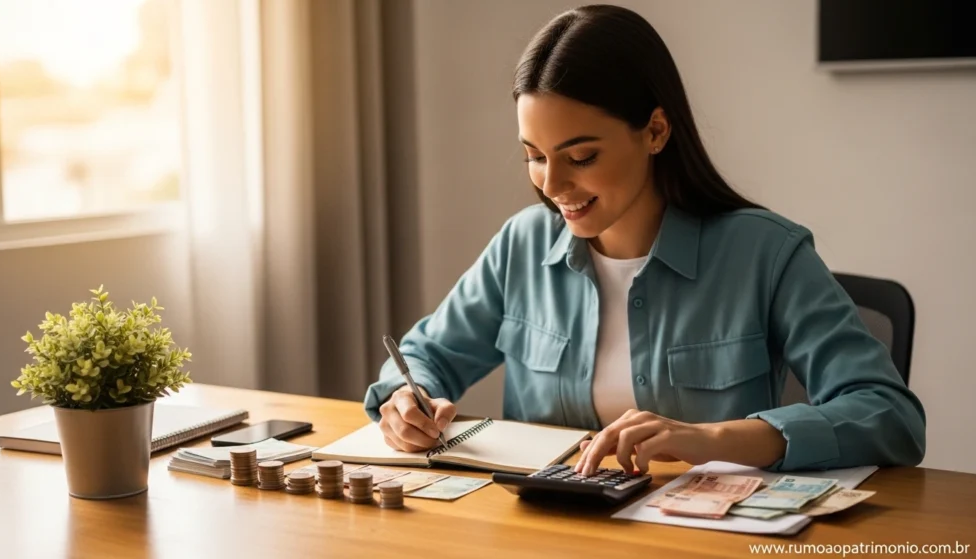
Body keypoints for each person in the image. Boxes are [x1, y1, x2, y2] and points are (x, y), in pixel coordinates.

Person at [363, 4, 925, 475]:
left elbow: (889, 414)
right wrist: (406, 400)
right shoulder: (521, 245)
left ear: (655, 131)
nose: (552, 186)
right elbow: (422, 356)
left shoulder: (766, 253)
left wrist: (716, 439)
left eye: (581, 157)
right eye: (535, 157)